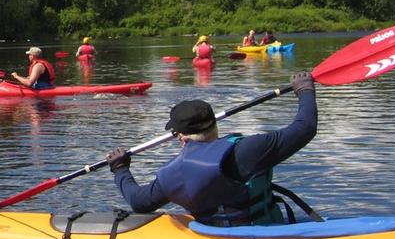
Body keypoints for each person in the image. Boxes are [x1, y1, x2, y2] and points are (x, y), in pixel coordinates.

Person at [104, 72, 317, 227]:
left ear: (180, 137)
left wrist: (121, 169)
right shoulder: (251, 148)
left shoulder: (173, 173)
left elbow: (139, 202)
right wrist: (305, 90)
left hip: (217, 238)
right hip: (270, 232)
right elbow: (305, 127)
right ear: (215, 125)